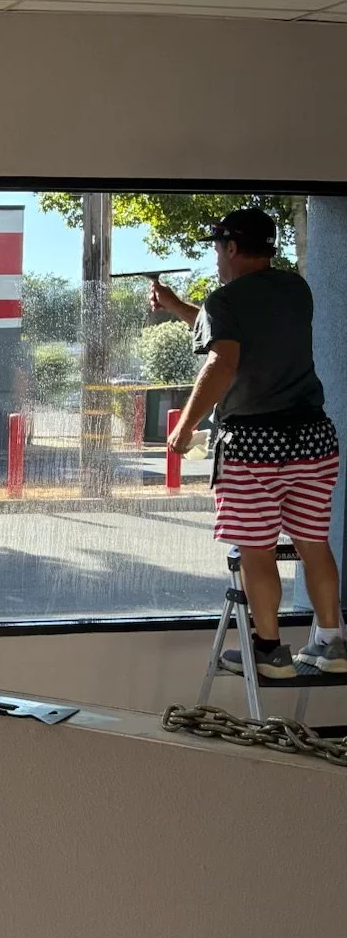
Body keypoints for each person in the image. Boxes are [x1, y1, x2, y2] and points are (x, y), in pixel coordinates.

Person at [154, 209, 346, 678]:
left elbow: (223, 359)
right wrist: (179, 307)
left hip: (255, 445)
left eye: (218, 247)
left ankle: (269, 651)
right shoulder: (296, 290)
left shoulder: (227, 299)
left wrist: (185, 427)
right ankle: (332, 642)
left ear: (233, 248)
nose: (217, 257)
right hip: (314, 439)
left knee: (256, 549)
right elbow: (232, 330)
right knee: (313, 542)